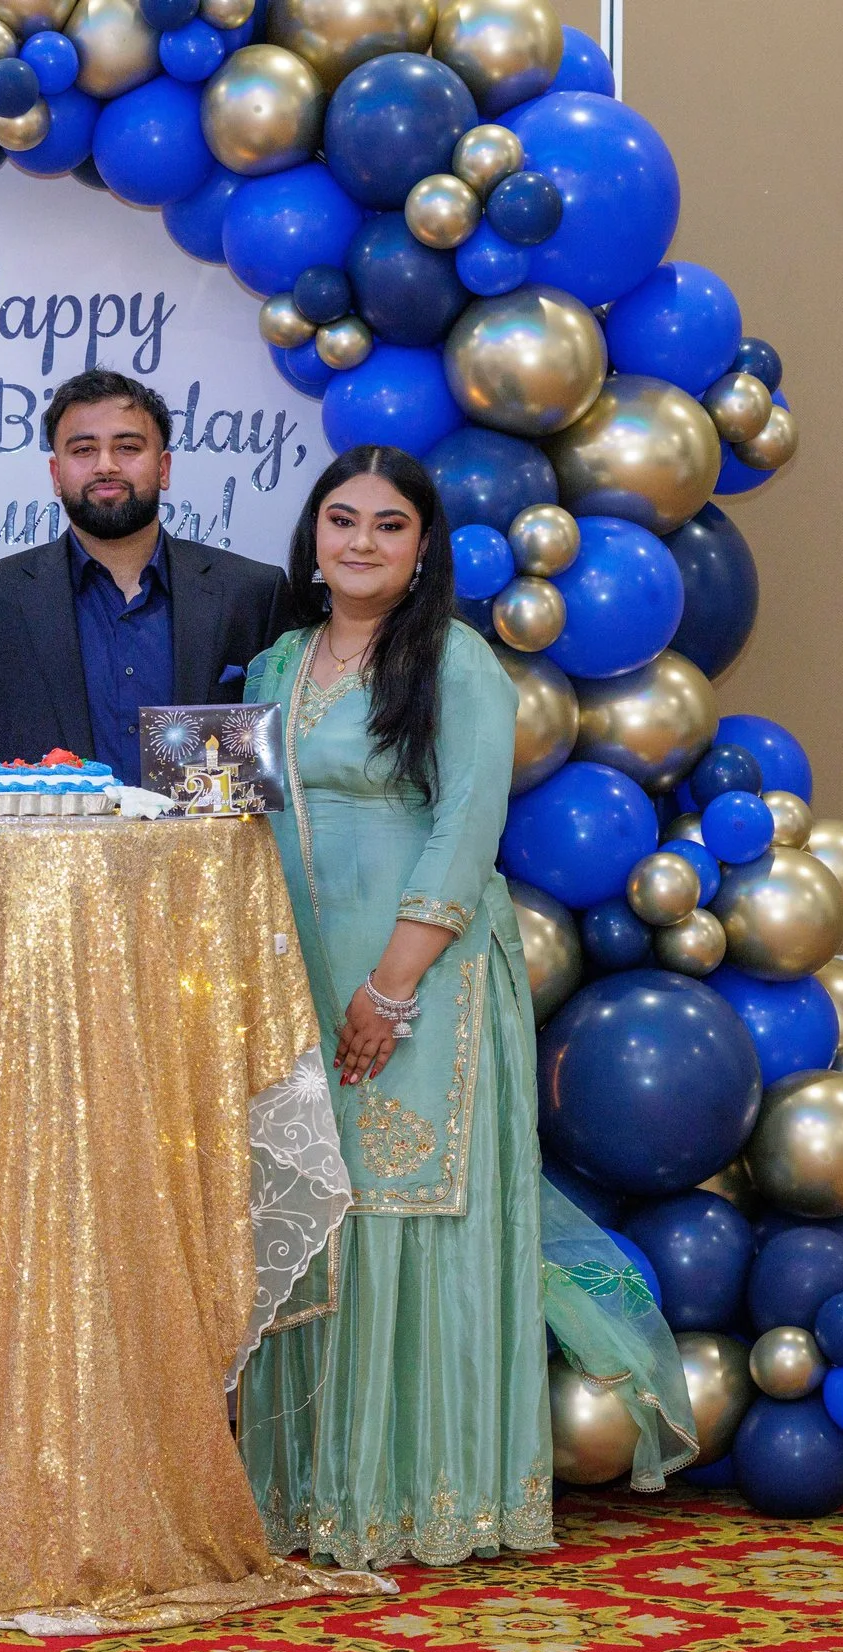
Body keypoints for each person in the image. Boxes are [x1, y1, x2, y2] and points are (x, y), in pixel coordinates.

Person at [236, 446, 699, 1569]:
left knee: (407, 1223)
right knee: (312, 1223)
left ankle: (423, 1497)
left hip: (422, 988)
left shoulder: (456, 664)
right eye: (340, 520)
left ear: (423, 547)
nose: (358, 542)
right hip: (292, 978)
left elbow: (462, 829)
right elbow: (239, 822)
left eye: (387, 525)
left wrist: (388, 991)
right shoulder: (272, 666)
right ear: (312, 538)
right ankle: (308, 1493)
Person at [0, 368, 291, 776]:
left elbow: (285, 764)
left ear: (164, 467)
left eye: (128, 447)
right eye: (83, 450)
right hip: (42, 841)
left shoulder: (253, 593)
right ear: (56, 475)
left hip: (204, 841)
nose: (106, 466)